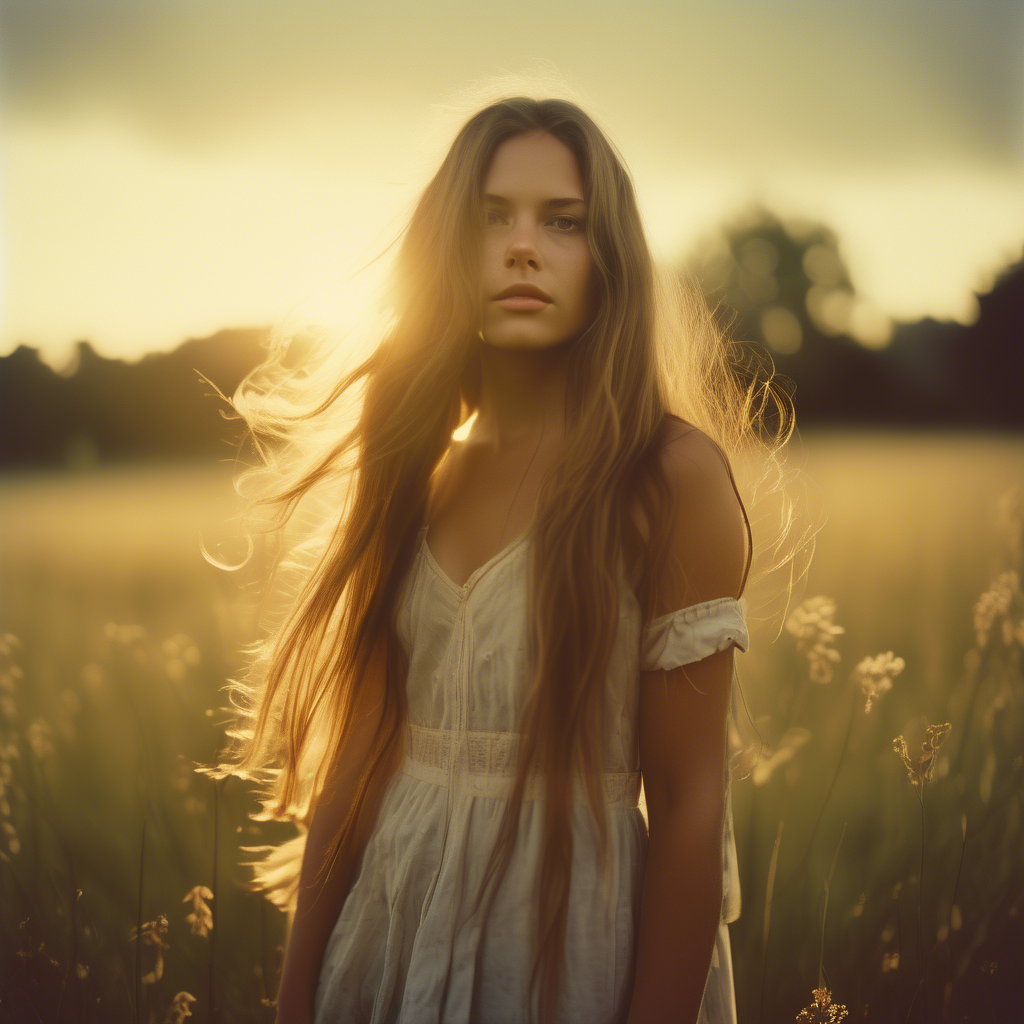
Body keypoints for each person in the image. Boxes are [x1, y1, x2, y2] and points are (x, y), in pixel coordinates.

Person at [208, 96, 796, 1024]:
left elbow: (689, 800)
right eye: (491, 218)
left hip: (570, 951)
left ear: (608, 259)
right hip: (391, 942)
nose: (524, 247)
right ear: (447, 250)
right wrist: (295, 1002)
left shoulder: (666, 478)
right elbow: (357, 765)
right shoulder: (415, 469)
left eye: (562, 222)